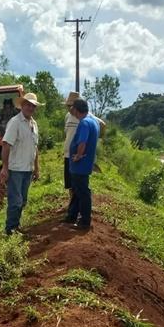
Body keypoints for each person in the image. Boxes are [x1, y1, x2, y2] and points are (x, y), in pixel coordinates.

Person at [0, 92, 42, 235]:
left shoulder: (34, 124)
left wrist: (36, 168)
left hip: (28, 169)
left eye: (33, 106)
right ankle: (10, 230)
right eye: (28, 105)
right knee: (15, 201)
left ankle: (16, 226)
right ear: (22, 105)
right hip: (16, 169)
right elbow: (6, 144)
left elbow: (35, 147)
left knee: (22, 201)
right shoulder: (15, 122)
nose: (30, 108)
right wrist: (5, 168)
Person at [63, 98, 99, 230]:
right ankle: (72, 216)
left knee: (82, 192)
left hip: (80, 165)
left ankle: (84, 221)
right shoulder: (92, 122)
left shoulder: (84, 123)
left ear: (76, 109)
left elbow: (82, 142)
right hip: (84, 164)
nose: (70, 109)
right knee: (78, 191)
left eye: (72, 107)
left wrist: (78, 155)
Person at [63, 92, 106, 194]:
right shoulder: (67, 116)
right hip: (68, 154)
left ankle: (78, 206)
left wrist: (95, 140)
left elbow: (102, 124)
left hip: (79, 155)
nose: (69, 108)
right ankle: (72, 205)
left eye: (71, 106)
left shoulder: (87, 117)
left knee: (79, 183)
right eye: (68, 106)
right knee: (70, 183)